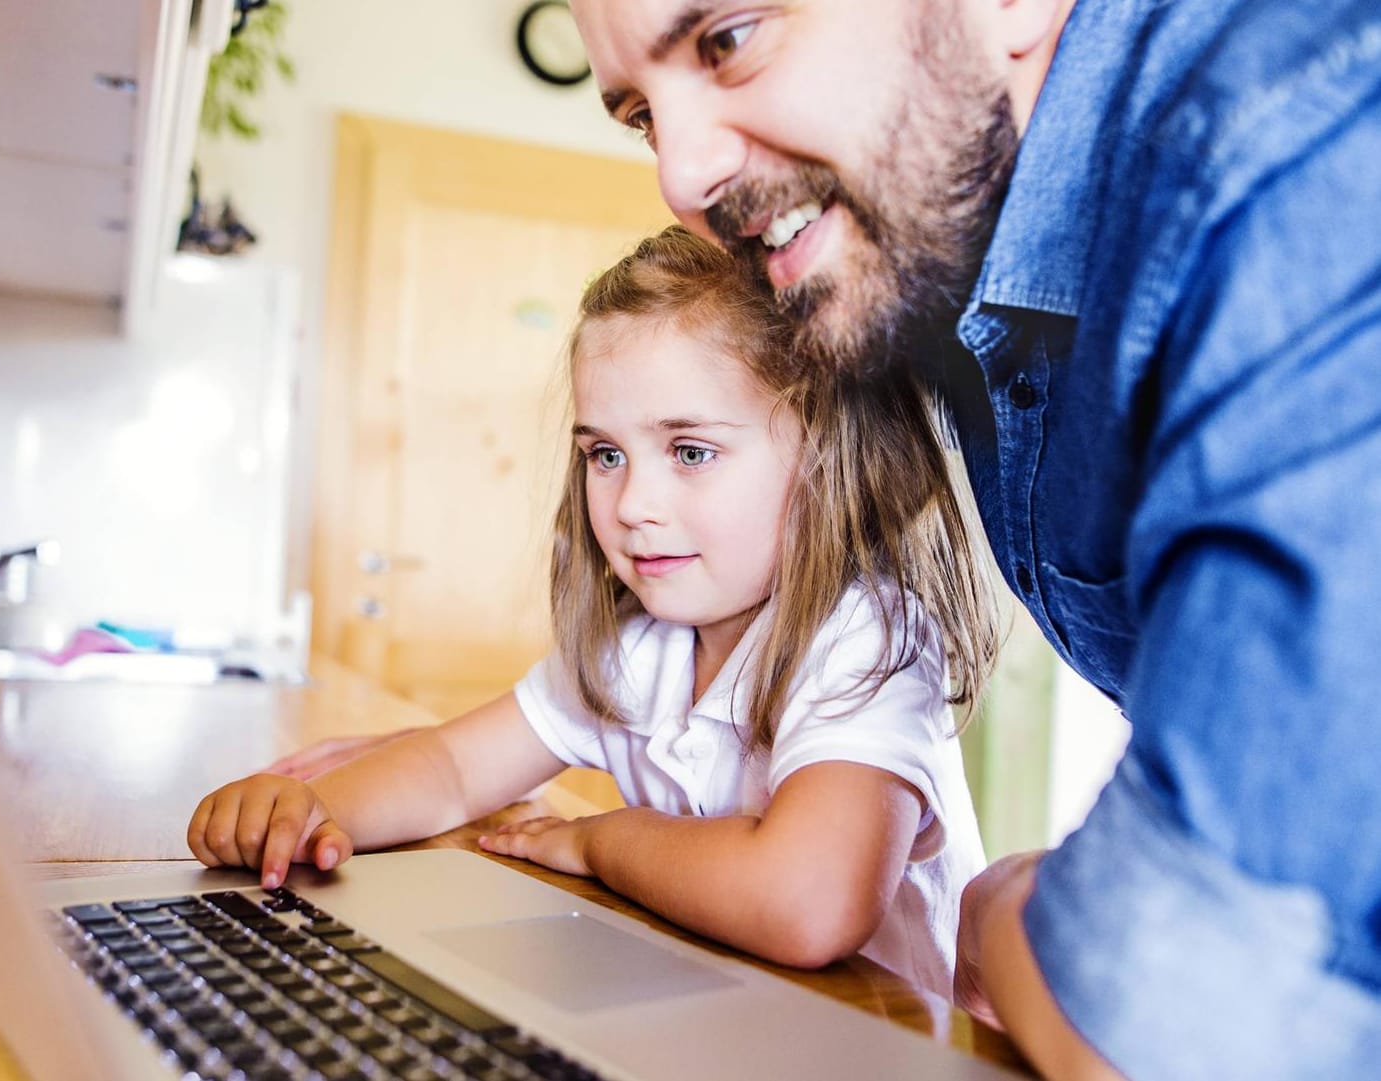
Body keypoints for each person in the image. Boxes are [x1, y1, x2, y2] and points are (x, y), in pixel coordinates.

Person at [565, 0, 1381, 1077]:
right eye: (638, 115)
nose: (679, 176)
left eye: (729, 38)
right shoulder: (950, 269)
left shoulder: (1309, 147)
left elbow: (1168, 1032)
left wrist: (1006, 911)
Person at [190, 226, 999, 996]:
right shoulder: (633, 652)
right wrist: (312, 810)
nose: (633, 502)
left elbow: (808, 904)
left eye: (689, 451)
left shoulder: (867, 637)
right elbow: (451, 768)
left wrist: (600, 838)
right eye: (604, 454)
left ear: (831, 456)